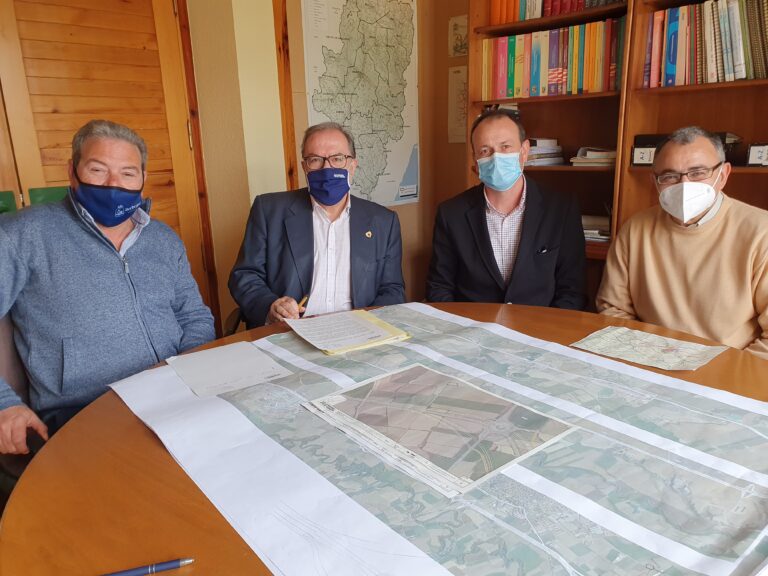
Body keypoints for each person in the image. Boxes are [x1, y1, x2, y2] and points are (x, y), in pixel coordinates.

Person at [0, 120, 215, 455]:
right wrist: (5, 404)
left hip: (175, 390)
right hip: (85, 409)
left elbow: (194, 315)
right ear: (73, 172)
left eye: (128, 173)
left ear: (142, 178)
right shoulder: (23, 235)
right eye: (98, 170)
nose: (114, 184)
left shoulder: (163, 238)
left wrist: (190, 370)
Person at [597, 126, 768, 359]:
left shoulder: (761, 232)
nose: (684, 184)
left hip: (730, 366)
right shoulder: (635, 229)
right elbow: (613, 309)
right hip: (648, 358)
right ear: (655, 181)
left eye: (698, 173)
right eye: (670, 176)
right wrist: (649, 357)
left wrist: (721, 371)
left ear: (723, 175)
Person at [229, 122, 406, 327]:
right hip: (290, 330)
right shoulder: (268, 211)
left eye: (337, 158)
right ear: (305, 167)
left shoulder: (383, 221)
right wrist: (270, 306)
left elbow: (392, 290)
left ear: (352, 165)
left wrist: (368, 325)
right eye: (315, 160)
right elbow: (245, 275)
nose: (326, 168)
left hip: (360, 330)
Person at [427, 109, 586, 309]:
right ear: (475, 160)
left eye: (505, 147)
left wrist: (546, 328)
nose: (496, 157)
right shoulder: (451, 214)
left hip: (539, 325)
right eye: (485, 150)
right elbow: (439, 288)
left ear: (524, 151)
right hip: (471, 325)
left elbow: (572, 291)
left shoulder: (561, 209)